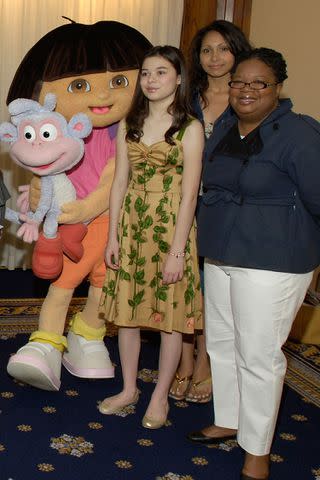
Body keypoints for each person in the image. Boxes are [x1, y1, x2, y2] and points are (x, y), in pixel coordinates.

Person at [188, 47, 320, 479]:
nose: (245, 90)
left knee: (259, 355)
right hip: (223, 250)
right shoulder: (226, 124)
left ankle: (258, 450)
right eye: (238, 82)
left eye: (257, 83)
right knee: (222, 343)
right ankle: (229, 419)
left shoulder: (299, 134)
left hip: (273, 259)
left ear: (277, 88)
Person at [5, 20, 152, 391]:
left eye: (119, 82)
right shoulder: (60, 131)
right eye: (81, 85)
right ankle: (46, 343)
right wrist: (40, 198)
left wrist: (85, 210)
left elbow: (113, 180)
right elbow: (43, 171)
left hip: (112, 222)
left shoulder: (126, 134)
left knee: (104, 284)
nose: (103, 95)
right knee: (62, 283)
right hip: (72, 228)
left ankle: (88, 335)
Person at [99, 45, 204, 428]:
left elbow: (191, 193)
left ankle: (160, 396)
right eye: (145, 73)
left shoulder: (190, 127)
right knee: (127, 315)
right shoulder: (130, 123)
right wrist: (112, 236)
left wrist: (177, 251)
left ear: (178, 78)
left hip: (170, 228)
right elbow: (118, 183)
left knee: (170, 319)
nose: (151, 80)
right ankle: (129, 389)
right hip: (131, 225)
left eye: (161, 72)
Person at [169, 20, 251, 403]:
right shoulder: (186, 98)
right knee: (183, 283)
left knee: (210, 288)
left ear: (237, 51)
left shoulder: (248, 99)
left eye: (223, 48)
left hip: (223, 206)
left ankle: (205, 363)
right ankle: (183, 361)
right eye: (206, 50)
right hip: (180, 202)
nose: (215, 57)